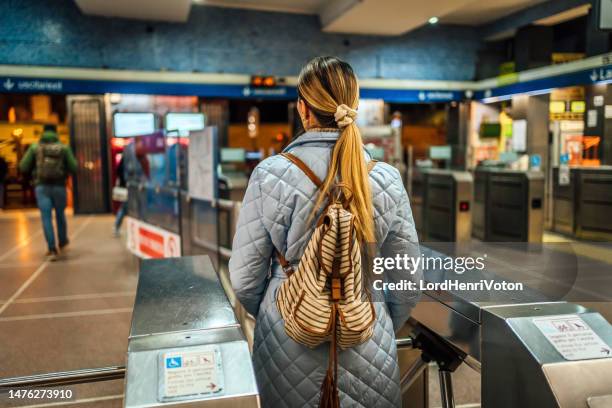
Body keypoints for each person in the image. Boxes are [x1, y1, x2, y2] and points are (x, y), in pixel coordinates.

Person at [229, 56, 421, 407]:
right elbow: (407, 279)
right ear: (354, 105)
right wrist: (374, 320)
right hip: (368, 336)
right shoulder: (385, 177)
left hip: (287, 340)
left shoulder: (269, 174)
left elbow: (244, 279)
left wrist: (281, 308)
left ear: (303, 109)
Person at [19, 124, 77, 261]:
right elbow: (74, 167)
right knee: (60, 214)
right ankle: (62, 241)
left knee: (46, 217)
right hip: (59, 186)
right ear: (56, 133)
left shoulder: (35, 147)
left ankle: (51, 248)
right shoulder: (64, 148)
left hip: (42, 187)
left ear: (43, 133)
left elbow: (23, 166)